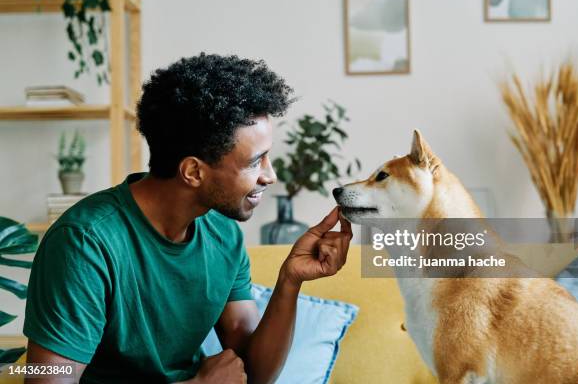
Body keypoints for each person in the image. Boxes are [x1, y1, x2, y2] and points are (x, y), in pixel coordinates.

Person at [24, 54, 353, 384]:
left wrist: (289, 280)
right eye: (255, 162)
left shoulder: (222, 232)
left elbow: (254, 373)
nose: (270, 176)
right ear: (193, 171)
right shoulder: (83, 243)